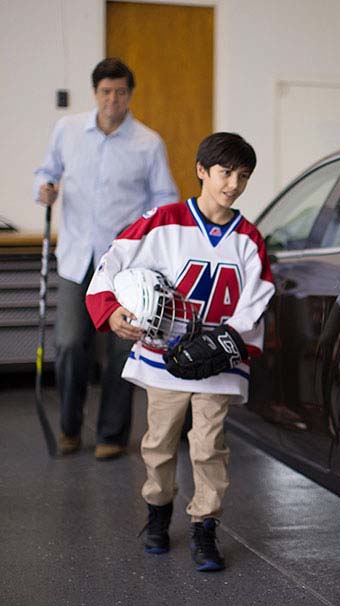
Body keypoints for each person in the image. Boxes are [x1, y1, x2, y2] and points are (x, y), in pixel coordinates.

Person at [85, 132, 275, 571]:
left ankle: (205, 525)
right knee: (159, 443)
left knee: (208, 446)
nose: (233, 184)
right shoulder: (164, 221)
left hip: (218, 362)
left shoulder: (248, 238)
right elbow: (112, 260)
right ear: (201, 171)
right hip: (161, 355)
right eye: (225, 173)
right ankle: (157, 512)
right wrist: (110, 310)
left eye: (243, 176)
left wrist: (229, 339)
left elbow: (258, 295)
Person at [33, 57, 178, 459]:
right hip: (76, 258)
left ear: (130, 95)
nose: (113, 99)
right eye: (105, 92)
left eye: (120, 92)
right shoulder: (67, 130)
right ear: (95, 93)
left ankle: (112, 435)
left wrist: (148, 235)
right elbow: (45, 172)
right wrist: (43, 189)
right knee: (69, 344)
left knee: (121, 348)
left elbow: (165, 199)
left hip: (126, 265)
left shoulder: (148, 143)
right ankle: (69, 427)